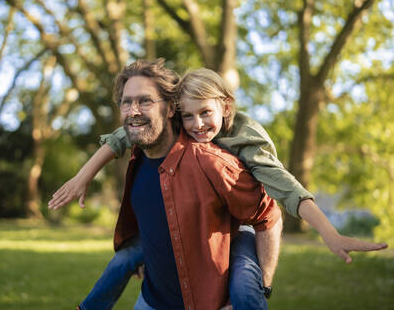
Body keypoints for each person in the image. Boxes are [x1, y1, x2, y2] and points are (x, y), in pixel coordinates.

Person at [49, 61, 388, 308]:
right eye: (127, 102)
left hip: (236, 235)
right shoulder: (147, 140)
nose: (197, 125)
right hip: (153, 298)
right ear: (177, 113)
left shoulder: (234, 146)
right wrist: (83, 177)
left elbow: (281, 193)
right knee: (123, 260)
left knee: (244, 288)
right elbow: (124, 135)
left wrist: (329, 233)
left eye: (145, 101)